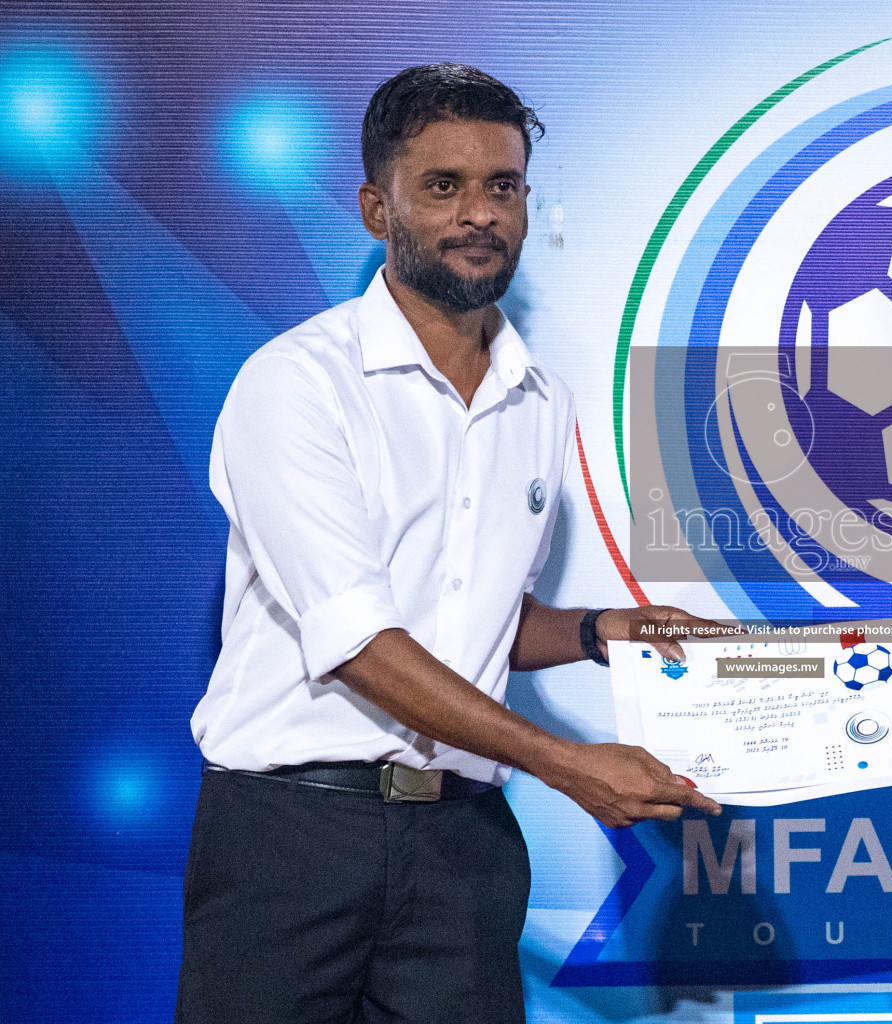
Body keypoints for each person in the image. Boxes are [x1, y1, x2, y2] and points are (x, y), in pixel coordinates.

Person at [176, 63, 721, 1024]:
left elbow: (474, 615)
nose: (480, 214)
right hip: (294, 836)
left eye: (502, 186)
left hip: (463, 845)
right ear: (375, 209)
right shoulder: (296, 382)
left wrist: (602, 630)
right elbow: (359, 642)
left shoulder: (539, 400)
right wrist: (565, 763)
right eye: (444, 187)